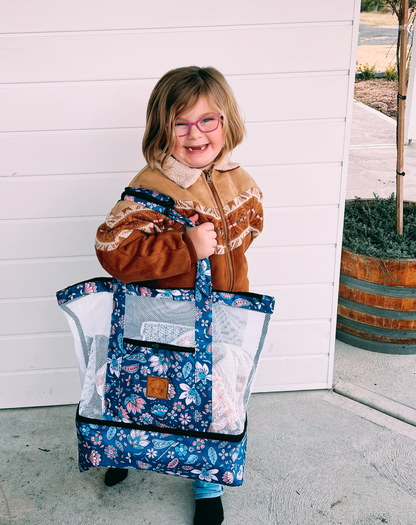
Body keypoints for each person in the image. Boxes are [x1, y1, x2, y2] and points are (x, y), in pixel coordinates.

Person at [95, 65, 264, 525]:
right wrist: (185, 247)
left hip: (225, 312)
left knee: (212, 396)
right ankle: (124, 447)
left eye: (207, 120)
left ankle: (207, 482)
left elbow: (250, 227)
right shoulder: (153, 187)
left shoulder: (235, 176)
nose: (195, 134)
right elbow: (114, 251)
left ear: (226, 123)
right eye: (180, 123)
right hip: (165, 317)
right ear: (161, 129)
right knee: (156, 388)